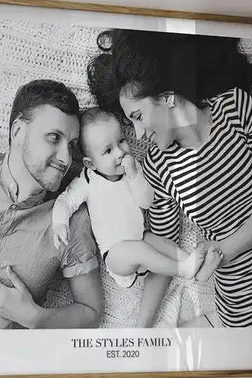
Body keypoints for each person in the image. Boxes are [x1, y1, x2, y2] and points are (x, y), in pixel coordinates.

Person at [86, 29, 252, 328]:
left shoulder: (235, 108)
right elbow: (162, 247)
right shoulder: (157, 166)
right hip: (239, 307)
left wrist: (225, 250)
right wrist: (141, 331)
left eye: (138, 117)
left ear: (167, 97)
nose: (138, 135)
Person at [0, 79, 102, 329]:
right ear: (18, 132)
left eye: (72, 145)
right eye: (53, 137)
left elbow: (91, 312)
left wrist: (34, 317)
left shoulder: (70, 221)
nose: (66, 158)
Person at [51, 107, 219, 287]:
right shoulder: (87, 180)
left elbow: (147, 202)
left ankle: (195, 265)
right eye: (108, 151)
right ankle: (183, 270)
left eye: (121, 141)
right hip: (115, 255)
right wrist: (60, 223)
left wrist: (133, 176)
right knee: (140, 249)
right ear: (91, 163)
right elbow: (65, 201)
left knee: (161, 242)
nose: (120, 152)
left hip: (140, 237)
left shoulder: (133, 169)